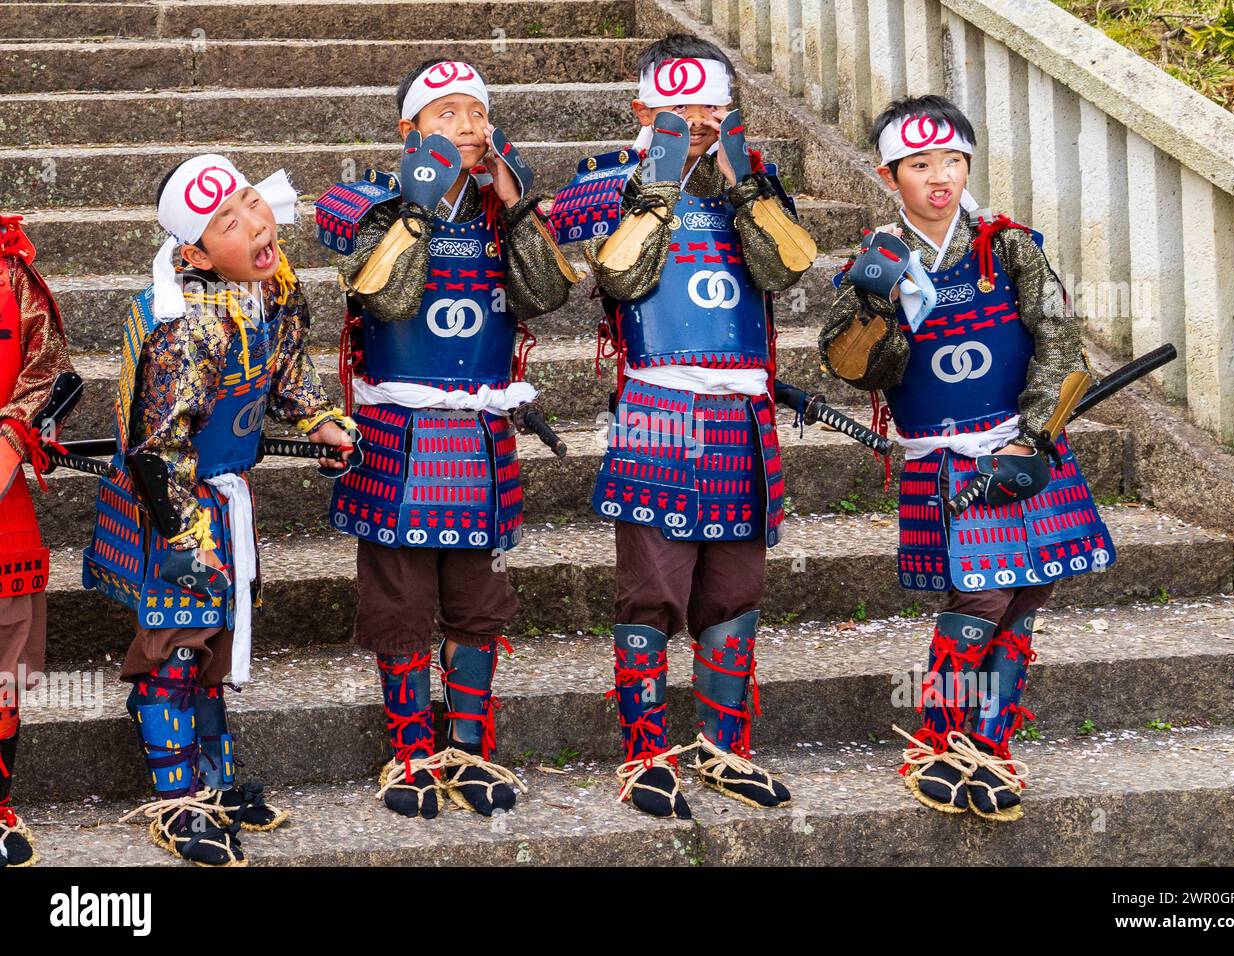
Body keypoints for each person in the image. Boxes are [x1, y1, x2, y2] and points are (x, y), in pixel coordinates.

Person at [818, 95, 1114, 822]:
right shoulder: (876, 259)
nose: (940, 176)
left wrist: (1034, 436)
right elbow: (851, 368)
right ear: (892, 177)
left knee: (1029, 591)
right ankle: (937, 738)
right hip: (945, 456)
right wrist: (875, 306)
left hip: (1019, 443)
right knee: (981, 595)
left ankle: (990, 741)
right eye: (920, 165)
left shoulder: (1008, 244)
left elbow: (1059, 340)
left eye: (952, 160)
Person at [549, 34, 817, 819]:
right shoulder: (607, 179)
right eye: (680, 104)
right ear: (643, 109)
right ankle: (644, 754)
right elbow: (621, 274)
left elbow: (785, 270)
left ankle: (725, 748)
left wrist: (741, 189)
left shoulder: (757, 185)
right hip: (658, 406)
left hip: (741, 410)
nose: (698, 119)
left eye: (712, 104)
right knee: (651, 594)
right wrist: (661, 178)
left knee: (735, 593)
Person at [316, 58, 577, 821]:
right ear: (409, 131)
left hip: (481, 433)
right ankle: (409, 750)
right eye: (446, 114)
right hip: (398, 435)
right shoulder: (365, 202)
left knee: (479, 600)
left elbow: (546, 294)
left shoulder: (504, 207)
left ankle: (468, 744)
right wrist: (421, 207)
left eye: (476, 112)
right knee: (398, 602)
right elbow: (387, 296)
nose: (466, 126)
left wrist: (521, 208)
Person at [84, 155, 355, 864]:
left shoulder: (275, 287)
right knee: (176, 648)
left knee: (215, 641)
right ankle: (177, 802)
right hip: (172, 502)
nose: (255, 224)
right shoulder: (190, 324)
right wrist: (186, 534)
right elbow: (156, 445)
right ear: (197, 253)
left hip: (226, 493)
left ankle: (215, 780)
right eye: (227, 223)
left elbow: (288, 370)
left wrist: (319, 420)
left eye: (248, 204)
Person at [0, 214, 78, 867]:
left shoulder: (11, 275)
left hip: (0, 496)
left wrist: (11, 436)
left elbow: (48, 362)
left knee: (6, 654)